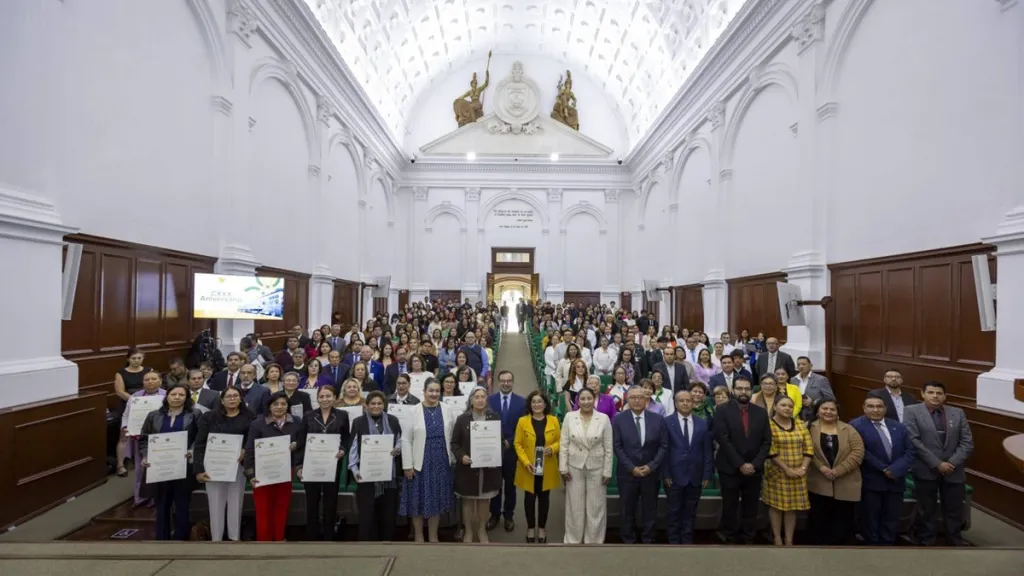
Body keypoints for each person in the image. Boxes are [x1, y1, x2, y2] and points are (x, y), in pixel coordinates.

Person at [903, 381, 974, 546]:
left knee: (954, 509)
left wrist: (950, 463)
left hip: (953, 470)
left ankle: (954, 541)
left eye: (939, 393)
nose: (935, 396)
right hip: (925, 469)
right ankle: (926, 540)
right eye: (931, 392)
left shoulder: (957, 413)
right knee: (926, 510)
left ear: (945, 396)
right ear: (923, 394)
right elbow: (913, 440)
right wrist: (937, 464)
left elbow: (967, 443)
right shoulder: (911, 411)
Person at [139, 383, 201, 540]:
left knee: (182, 505)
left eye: (181, 395)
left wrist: (192, 451)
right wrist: (145, 456)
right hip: (160, 468)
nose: (177, 397)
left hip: (184, 467)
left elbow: (200, 437)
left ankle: (181, 538)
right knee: (161, 506)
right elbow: (144, 439)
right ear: (167, 396)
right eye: (173, 394)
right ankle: (162, 539)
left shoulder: (194, 414)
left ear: (187, 398)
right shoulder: (153, 415)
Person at [850, 395, 916, 545]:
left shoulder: (898, 426)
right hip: (871, 480)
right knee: (870, 517)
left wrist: (895, 469)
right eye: (871, 406)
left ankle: (888, 544)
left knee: (892, 516)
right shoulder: (855, 426)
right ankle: (872, 546)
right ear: (864, 408)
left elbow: (910, 451)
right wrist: (883, 468)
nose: (875, 410)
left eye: (879, 406)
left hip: (896, 480)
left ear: (885, 409)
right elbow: (861, 451)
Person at [713, 376, 771, 544]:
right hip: (730, 467)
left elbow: (767, 441)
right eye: (739, 388)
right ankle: (727, 535)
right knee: (729, 505)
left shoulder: (761, 412)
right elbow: (723, 439)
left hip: (754, 469)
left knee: (751, 506)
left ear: (752, 390)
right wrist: (740, 464)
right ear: (733, 390)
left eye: (747, 388)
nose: (743, 392)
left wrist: (755, 464)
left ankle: (748, 536)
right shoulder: (722, 410)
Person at [193, 385, 255, 542]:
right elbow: (200, 444)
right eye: (228, 396)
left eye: (235, 396)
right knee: (215, 504)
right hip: (213, 467)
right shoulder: (209, 417)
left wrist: (245, 449)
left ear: (241, 399)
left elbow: (253, 439)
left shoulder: (250, 417)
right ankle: (216, 540)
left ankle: (234, 538)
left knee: (236, 503)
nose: (232, 399)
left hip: (237, 466)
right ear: (222, 400)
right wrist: (198, 470)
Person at [400, 378, 455, 542]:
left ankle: (433, 535)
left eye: (437, 391)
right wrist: (407, 465)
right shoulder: (413, 411)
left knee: (436, 499)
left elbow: (451, 436)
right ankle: (418, 535)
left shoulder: (446, 409)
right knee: (418, 498)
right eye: (431, 390)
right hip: (419, 462)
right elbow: (406, 439)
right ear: (424, 391)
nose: (434, 394)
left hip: (441, 460)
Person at [612, 385, 668, 544]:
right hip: (627, 473)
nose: (637, 400)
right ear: (627, 400)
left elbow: (664, 445)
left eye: (640, 397)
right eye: (633, 397)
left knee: (650, 509)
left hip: (651, 473)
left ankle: (648, 539)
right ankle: (628, 539)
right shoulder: (619, 419)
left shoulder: (658, 419)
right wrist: (631, 468)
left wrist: (652, 466)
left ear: (646, 399)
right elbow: (617, 446)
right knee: (627, 509)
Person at [244, 391, 302, 542]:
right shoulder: (258, 423)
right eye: (275, 404)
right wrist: (250, 475)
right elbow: (249, 450)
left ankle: (279, 539)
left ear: (288, 406)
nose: (279, 407)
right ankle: (264, 542)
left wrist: (297, 444)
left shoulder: (296, 422)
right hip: (262, 472)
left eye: (283, 404)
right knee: (263, 509)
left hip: (286, 471)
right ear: (269, 406)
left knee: (282, 507)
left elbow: (302, 446)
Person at [807, 399, 864, 545]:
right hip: (818, 482)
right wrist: (822, 467)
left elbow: (858, 453)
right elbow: (806, 451)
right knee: (818, 520)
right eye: (824, 408)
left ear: (837, 412)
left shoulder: (849, 429)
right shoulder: (808, 428)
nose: (828, 412)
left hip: (846, 481)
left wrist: (838, 471)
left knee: (843, 520)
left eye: (832, 409)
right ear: (817, 411)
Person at [559, 387, 613, 544]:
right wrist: (563, 467)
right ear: (578, 401)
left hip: (597, 467)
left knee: (596, 507)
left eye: (589, 398)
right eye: (582, 399)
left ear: (594, 399)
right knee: (574, 506)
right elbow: (564, 444)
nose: (586, 402)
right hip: (574, 466)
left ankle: (594, 542)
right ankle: (573, 541)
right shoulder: (569, 417)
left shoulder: (603, 419)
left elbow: (608, 447)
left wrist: (607, 471)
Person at [297, 385, 350, 541]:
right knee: (312, 502)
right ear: (317, 398)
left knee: (330, 503)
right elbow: (301, 442)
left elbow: (346, 438)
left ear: (334, 398)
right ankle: (311, 537)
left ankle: (328, 537)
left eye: (328, 396)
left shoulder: (342, 415)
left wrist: (343, 450)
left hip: (332, 464)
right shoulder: (308, 416)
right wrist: (299, 466)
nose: (325, 399)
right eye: (322, 396)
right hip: (311, 465)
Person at [451, 386, 503, 543]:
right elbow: (454, 443)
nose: (480, 400)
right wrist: (461, 456)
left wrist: (495, 457)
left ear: (487, 399)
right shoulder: (462, 419)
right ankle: (468, 531)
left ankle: (481, 531)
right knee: (468, 501)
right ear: (471, 400)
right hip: (467, 469)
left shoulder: (494, 417)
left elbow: (500, 441)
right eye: (477, 397)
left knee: (484, 501)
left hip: (488, 470)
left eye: (483, 397)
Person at [350, 390, 403, 542]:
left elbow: (400, 440)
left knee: (388, 515)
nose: (376, 406)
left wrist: (397, 449)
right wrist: (354, 469)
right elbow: (353, 447)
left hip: (389, 476)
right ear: (366, 405)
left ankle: (387, 546)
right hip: (366, 476)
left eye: (379, 403)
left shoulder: (393, 420)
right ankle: (367, 548)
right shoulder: (358, 422)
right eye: (372, 403)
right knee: (367, 516)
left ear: (384, 405)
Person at [663, 389, 713, 545]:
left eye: (688, 401)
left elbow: (707, 451)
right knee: (674, 511)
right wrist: (666, 474)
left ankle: (687, 542)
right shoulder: (667, 422)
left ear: (693, 403)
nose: (685, 403)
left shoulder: (702, 423)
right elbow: (664, 450)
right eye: (681, 401)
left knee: (690, 512)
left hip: (695, 475)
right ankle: (673, 542)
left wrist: (707, 474)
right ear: (675, 403)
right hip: (674, 476)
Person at [762, 396, 812, 546]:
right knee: (776, 507)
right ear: (775, 407)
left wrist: (803, 468)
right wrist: (787, 469)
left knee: (792, 508)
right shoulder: (768, 425)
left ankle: (789, 540)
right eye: (783, 405)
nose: (787, 408)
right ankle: (777, 538)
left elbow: (808, 448)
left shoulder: (800, 424)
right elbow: (771, 450)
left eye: (790, 406)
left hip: (799, 473)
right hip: (776, 472)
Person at [514, 390, 561, 543]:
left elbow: (561, 441)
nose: (537, 404)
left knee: (544, 498)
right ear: (530, 404)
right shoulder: (522, 421)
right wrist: (525, 462)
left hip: (547, 466)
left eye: (540, 401)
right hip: (528, 467)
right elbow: (518, 444)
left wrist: (552, 448)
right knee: (529, 498)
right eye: (534, 402)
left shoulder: (553, 421)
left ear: (545, 404)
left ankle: (541, 528)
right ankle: (530, 527)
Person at [486, 370, 526, 532]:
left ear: (512, 382)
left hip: (512, 450)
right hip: (493, 449)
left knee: (510, 485)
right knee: (495, 484)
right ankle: (494, 514)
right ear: (498, 382)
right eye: (503, 380)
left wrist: (510, 441)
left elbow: (523, 426)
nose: (506, 383)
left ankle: (509, 515)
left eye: (509, 381)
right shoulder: (489, 400)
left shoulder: (522, 402)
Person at [121, 368, 167, 506]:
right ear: (143, 382)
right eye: (147, 379)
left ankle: (155, 497)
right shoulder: (135, 396)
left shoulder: (166, 395)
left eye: (154, 379)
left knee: (156, 467)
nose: (150, 382)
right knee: (140, 468)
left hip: (160, 438)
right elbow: (126, 415)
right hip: (140, 438)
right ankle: (140, 496)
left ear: (160, 381)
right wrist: (125, 426)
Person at [114, 348, 148, 476]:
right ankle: (120, 465)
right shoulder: (121, 372)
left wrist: (142, 402)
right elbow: (120, 391)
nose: (137, 361)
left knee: (146, 434)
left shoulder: (148, 370)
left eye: (139, 358)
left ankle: (143, 460)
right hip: (128, 405)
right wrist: (135, 400)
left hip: (146, 406)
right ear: (128, 359)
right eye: (134, 358)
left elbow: (153, 385)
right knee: (124, 436)